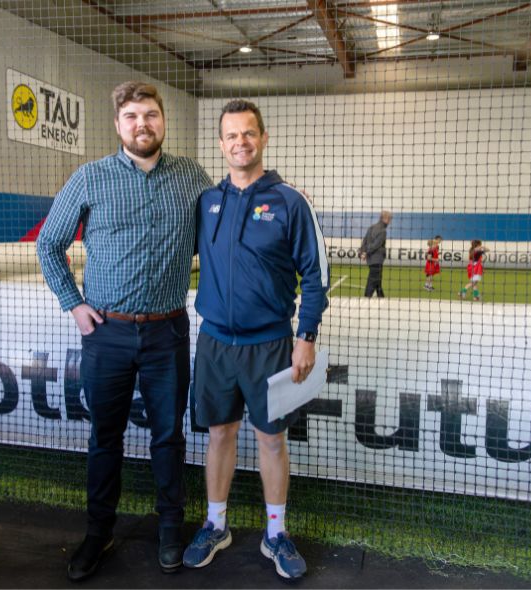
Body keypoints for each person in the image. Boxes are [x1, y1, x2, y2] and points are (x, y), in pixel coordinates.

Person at [36, 81, 212, 581]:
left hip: (167, 334)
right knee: (104, 438)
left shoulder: (192, 178)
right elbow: (49, 245)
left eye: (151, 115)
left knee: (168, 438)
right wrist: (74, 305)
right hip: (106, 334)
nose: (142, 124)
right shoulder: (89, 178)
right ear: (118, 125)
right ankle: (98, 532)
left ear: (163, 121)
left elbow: (221, 230)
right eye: (132, 116)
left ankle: (169, 530)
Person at [182, 99, 329, 580]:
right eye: (231, 135)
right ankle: (216, 524)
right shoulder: (208, 202)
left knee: (271, 439)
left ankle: (275, 534)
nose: (239, 142)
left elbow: (316, 274)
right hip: (215, 342)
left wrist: (305, 335)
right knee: (220, 434)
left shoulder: (290, 201)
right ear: (221, 144)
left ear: (263, 139)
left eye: (248, 133)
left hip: (270, 345)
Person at [359, 210, 392, 297]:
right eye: (389, 219)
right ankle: (366, 299)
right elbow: (376, 245)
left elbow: (365, 241)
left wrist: (362, 252)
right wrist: (365, 252)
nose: (390, 221)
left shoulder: (371, 227)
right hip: (377, 260)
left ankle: (381, 297)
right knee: (373, 281)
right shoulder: (382, 230)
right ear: (385, 218)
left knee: (377, 281)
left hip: (371, 260)